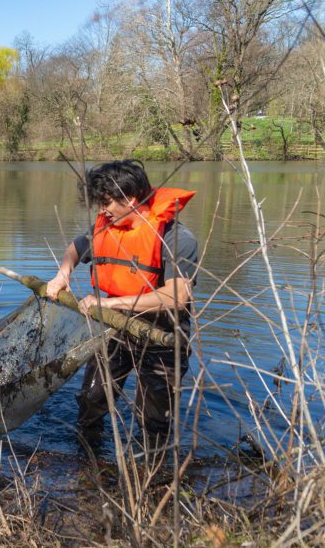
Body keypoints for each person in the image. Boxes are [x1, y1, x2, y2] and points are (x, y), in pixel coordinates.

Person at [45, 160, 198, 445]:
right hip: (115, 328)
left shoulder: (176, 238)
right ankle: (89, 471)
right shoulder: (106, 229)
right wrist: (62, 274)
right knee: (91, 401)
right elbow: (75, 249)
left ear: (130, 199)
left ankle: (152, 477)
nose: (102, 210)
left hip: (162, 334)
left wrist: (111, 305)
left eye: (106, 203)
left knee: (153, 420)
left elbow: (177, 296)